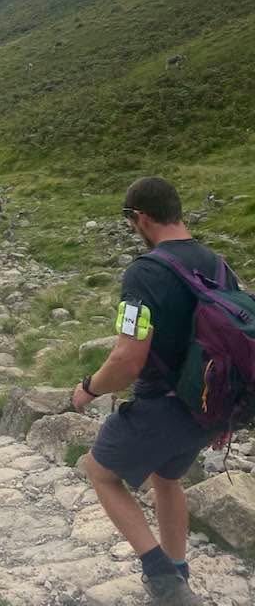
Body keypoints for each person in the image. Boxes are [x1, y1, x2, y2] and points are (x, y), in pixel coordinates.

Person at [72, 177, 240, 605]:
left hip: (161, 407)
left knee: (100, 471)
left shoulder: (144, 273)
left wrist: (88, 389)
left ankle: (163, 578)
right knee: (167, 479)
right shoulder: (220, 265)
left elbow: (127, 359)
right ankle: (178, 571)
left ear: (141, 217)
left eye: (130, 221)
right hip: (208, 408)